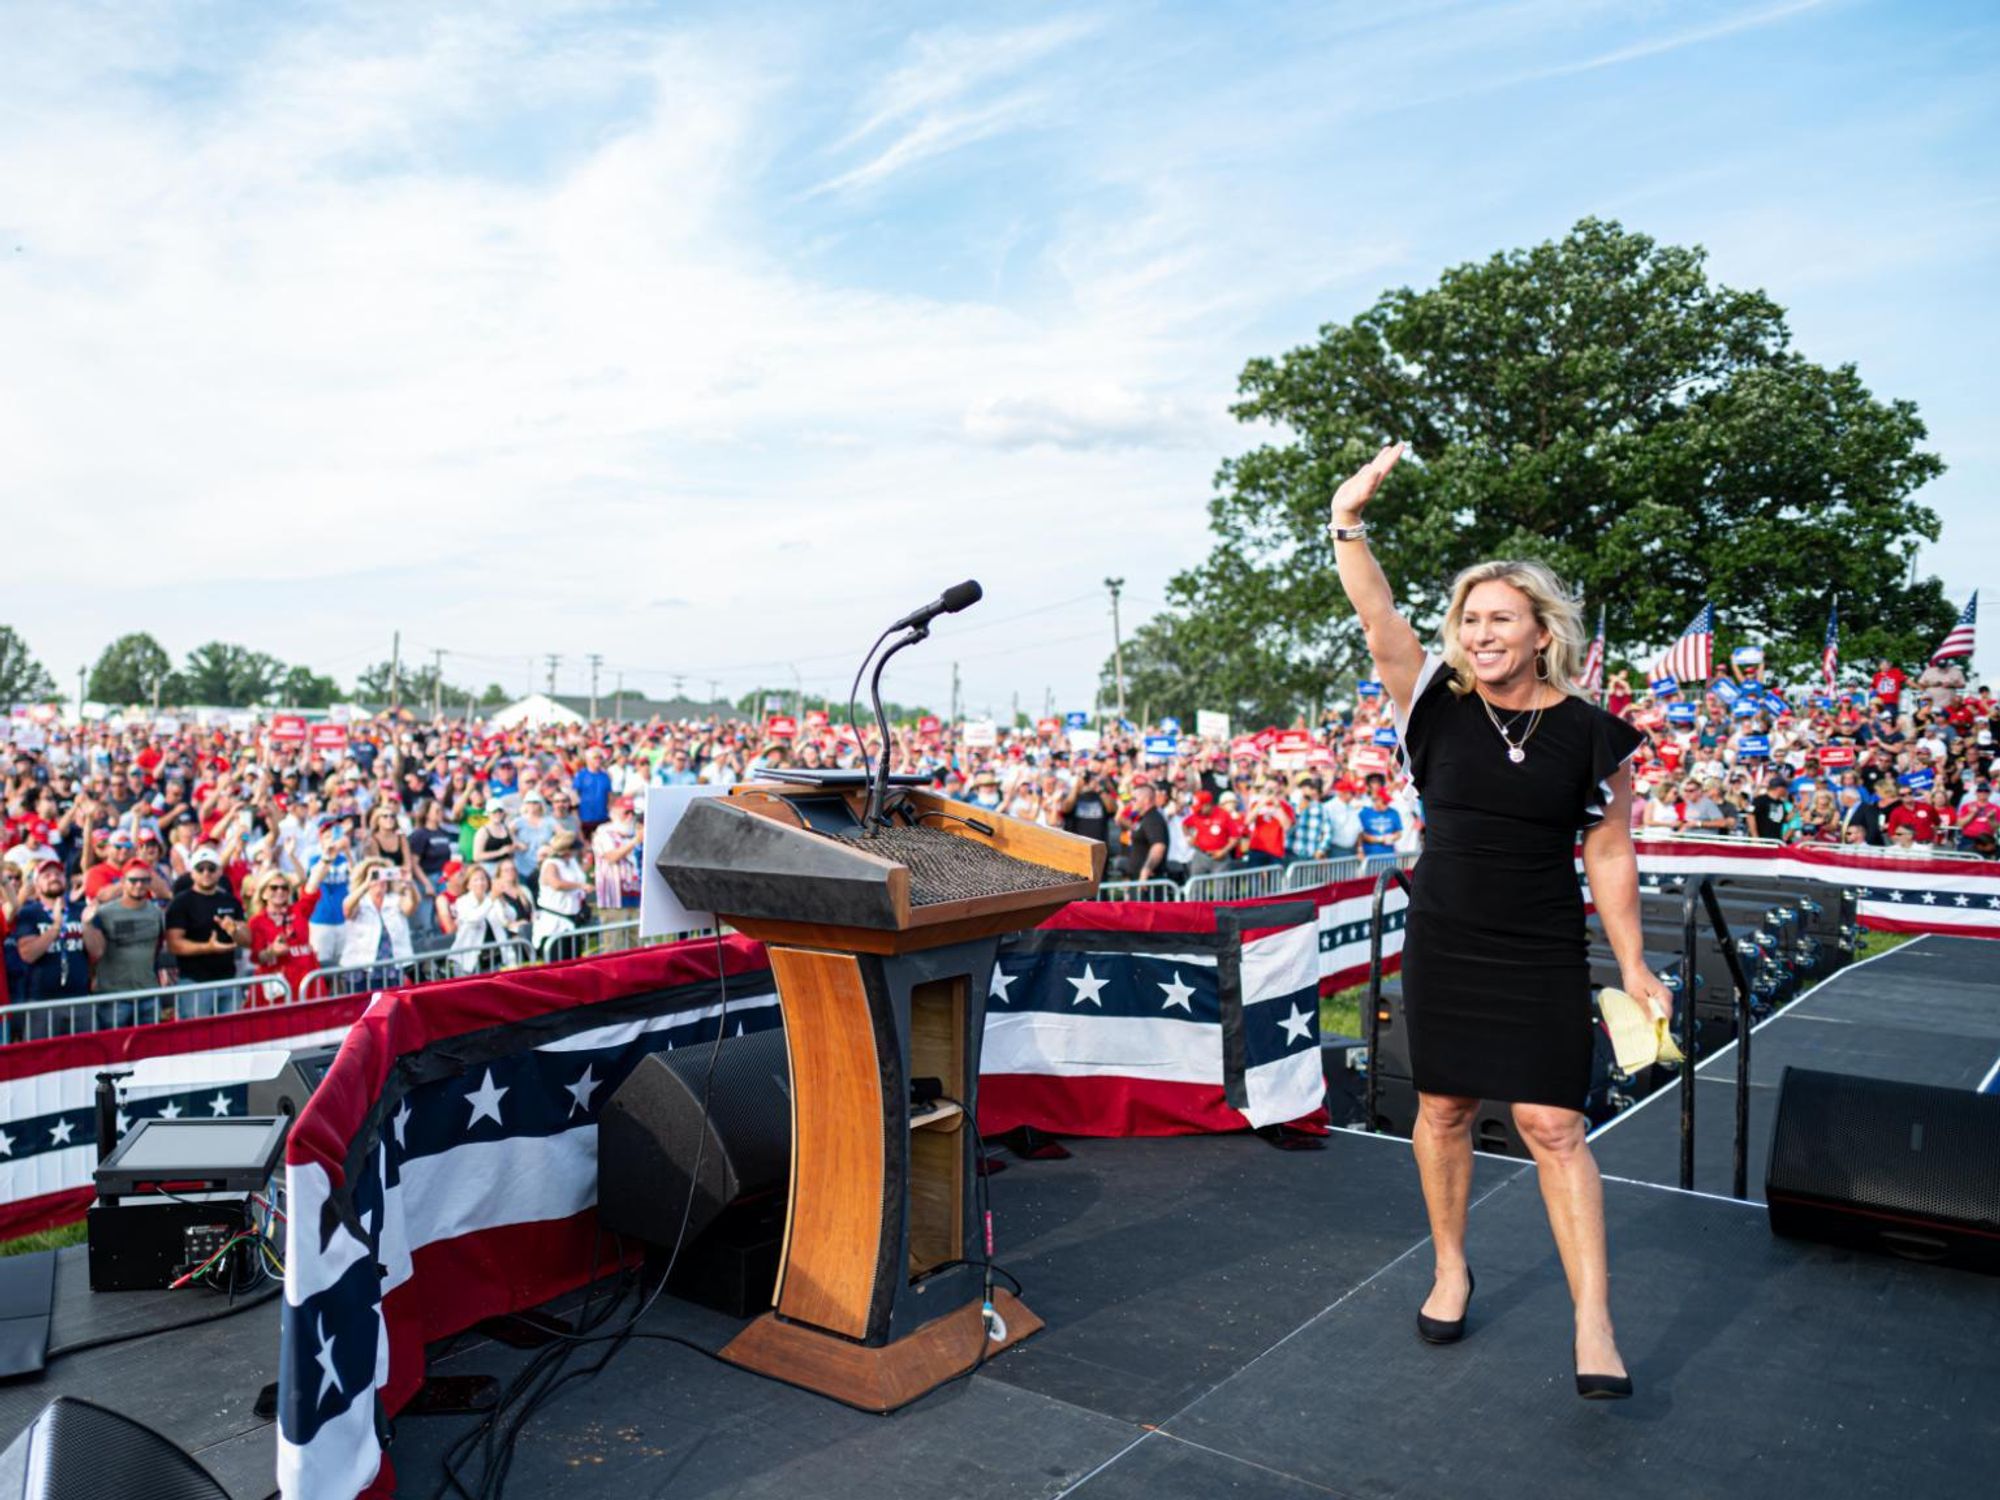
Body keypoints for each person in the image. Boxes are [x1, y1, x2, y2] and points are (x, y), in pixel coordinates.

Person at [1331, 440, 1666, 1398]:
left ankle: (1593, 1320)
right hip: (1446, 938)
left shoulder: (1595, 734)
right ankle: (1449, 1264)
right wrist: (1348, 519)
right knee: (1442, 1108)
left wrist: (1634, 962)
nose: (1480, 633)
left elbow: (1608, 850)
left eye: (1500, 619)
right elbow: (1375, 612)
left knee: (1552, 1123)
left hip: (1539, 945)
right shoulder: (1430, 703)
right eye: (1470, 619)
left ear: (1539, 633)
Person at [11, 858, 103, 1036]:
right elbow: (28, 954)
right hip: (41, 1003)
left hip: (80, 1000)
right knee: (42, 1060)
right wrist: (55, 927)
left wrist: (86, 925)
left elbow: (97, 951)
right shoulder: (29, 913)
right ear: (36, 885)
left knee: (87, 1059)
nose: (54, 877)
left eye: (58, 874)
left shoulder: (81, 910)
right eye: (47, 875)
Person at [163, 845, 249, 1016]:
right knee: (195, 1038)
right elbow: (173, 944)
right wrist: (208, 948)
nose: (206, 873)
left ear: (219, 872)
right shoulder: (181, 902)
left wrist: (234, 932)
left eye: (211, 868)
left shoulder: (230, 900)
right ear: (192, 873)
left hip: (228, 980)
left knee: (232, 1037)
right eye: (200, 868)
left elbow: (247, 940)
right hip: (195, 983)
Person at [91, 859, 168, 1027]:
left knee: (150, 1048)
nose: (139, 885)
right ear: (123, 882)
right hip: (114, 996)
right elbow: (94, 951)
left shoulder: (156, 912)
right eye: (133, 880)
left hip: (148, 993)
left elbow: (158, 947)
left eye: (144, 880)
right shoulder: (105, 912)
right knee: (114, 1049)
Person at [248, 865, 326, 1004]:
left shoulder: (298, 911)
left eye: (284, 888)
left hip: (308, 982)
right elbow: (257, 956)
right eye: (274, 887)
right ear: (264, 893)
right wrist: (272, 951)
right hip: (278, 986)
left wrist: (326, 860)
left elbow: (311, 889)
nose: (280, 891)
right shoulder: (257, 921)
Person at [534, 829, 589, 958]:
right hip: (555, 921)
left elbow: (578, 876)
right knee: (558, 959)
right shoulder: (550, 864)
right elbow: (556, 884)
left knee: (575, 959)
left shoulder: (572, 862)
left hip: (572, 917)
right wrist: (580, 886)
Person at [1116, 780, 1171, 882]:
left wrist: (1147, 869)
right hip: (1137, 878)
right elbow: (1120, 820)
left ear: (1146, 800)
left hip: (1148, 881)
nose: (1131, 802)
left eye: (1134, 799)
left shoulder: (1153, 818)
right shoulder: (1144, 818)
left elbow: (1158, 846)